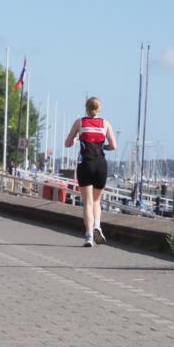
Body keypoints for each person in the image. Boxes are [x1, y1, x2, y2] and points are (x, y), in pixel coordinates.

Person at [64, 96, 118, 247]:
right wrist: (102, 147)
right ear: (99, 109)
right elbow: (113, 146)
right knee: (96, 201)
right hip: (100, 164)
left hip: (85, 164)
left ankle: (88, 236)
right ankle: (97, 226)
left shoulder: (79, 122)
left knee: (87, 203)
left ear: (86, 108)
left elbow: (67, 143)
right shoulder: (105, 123)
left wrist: (76, 140)